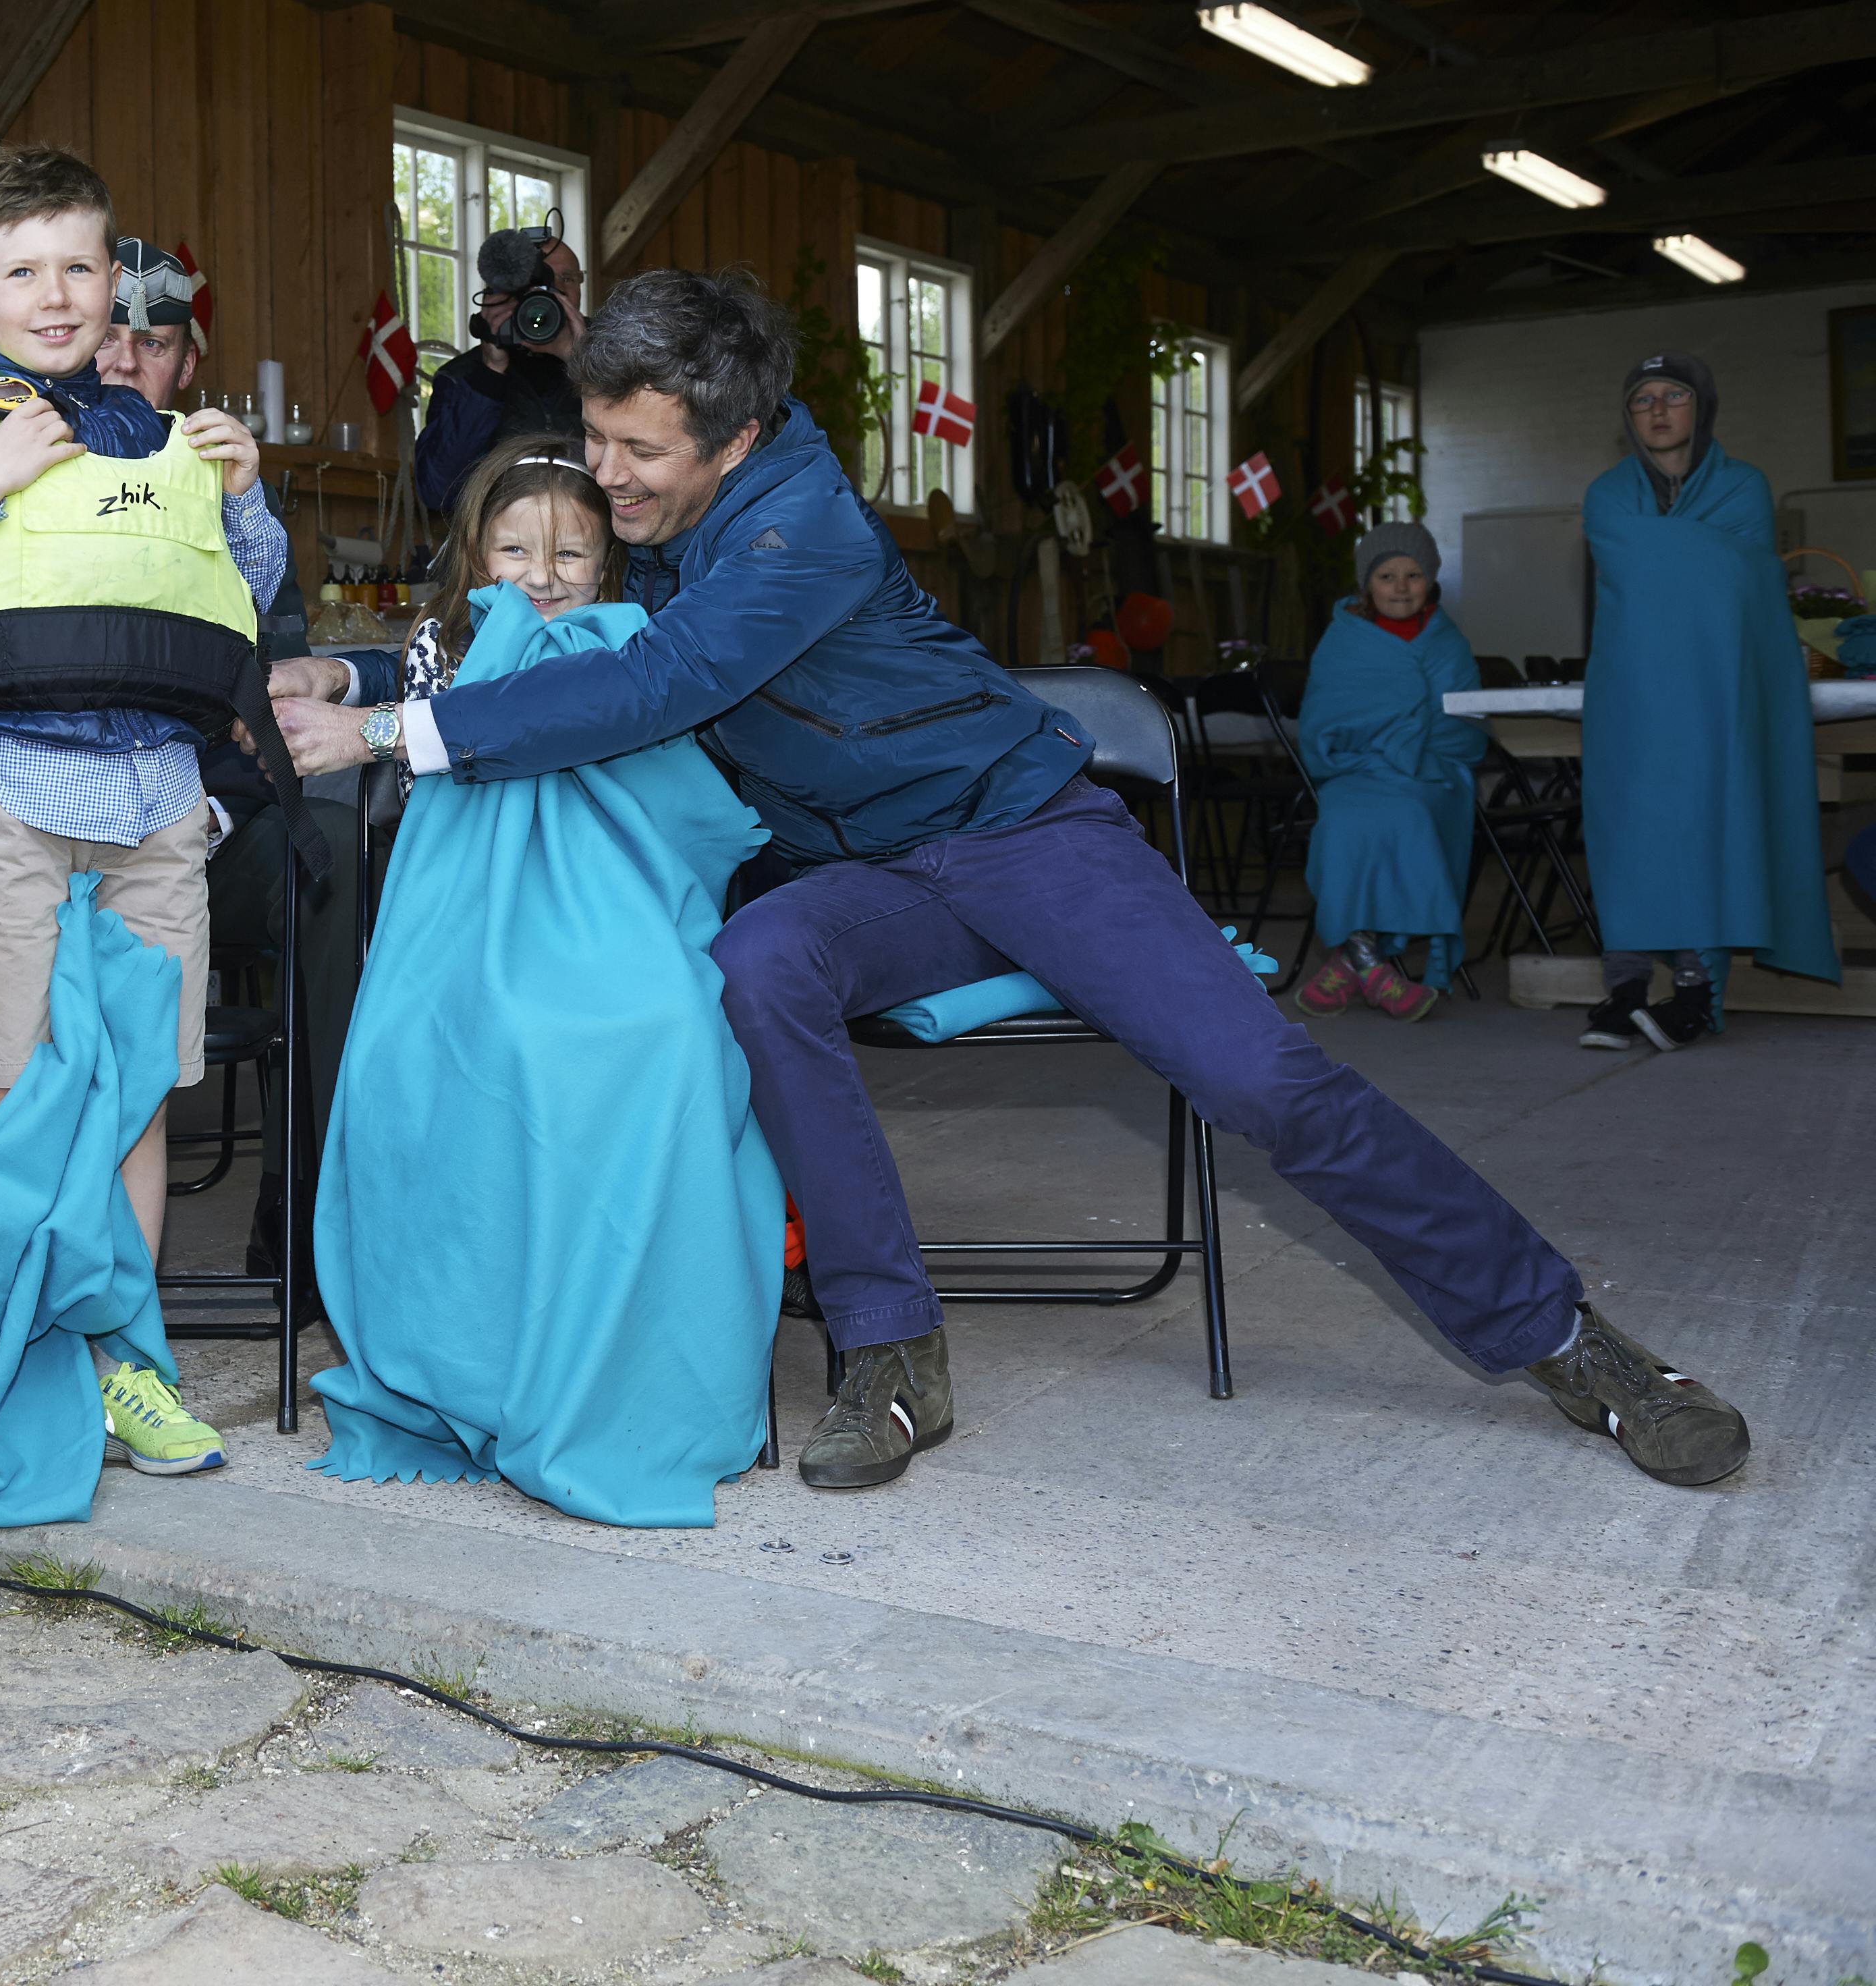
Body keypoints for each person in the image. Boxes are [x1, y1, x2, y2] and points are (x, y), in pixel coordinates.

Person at [274, 269, 1750, 1497]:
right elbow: (544, 620)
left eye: (635, 453)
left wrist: (398, 734)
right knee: (761, 962)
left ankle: (1570, 1336)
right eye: (594, 439)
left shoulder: (804, 530)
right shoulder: (667, 531)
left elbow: (662, 678)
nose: (604, 476)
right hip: (873, 872)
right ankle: (891, 1350)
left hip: (1026, 834)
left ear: (736, 435)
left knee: (1267, 1081)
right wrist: (348, 668)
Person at [0, 149, 275, 1481]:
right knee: (3, 1089)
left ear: (111, 281)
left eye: (80, 266)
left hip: (158, 801)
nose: (55, 293)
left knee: (138, 1093)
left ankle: (125, 1363)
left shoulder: (168, 431)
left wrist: (247, 496)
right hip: (16, 801)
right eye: (20, 270)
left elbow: (243, 590)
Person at [310, 451, 790, 1526]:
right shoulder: (448, 642)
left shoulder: (638, 644)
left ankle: (635, 1346)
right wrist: (347, 676)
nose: (544, 573)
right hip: (471, 899)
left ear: (609, 560)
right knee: (462, 1045)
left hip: (615, 889)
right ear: (476, 555)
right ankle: (478, 1349)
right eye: (516, 550)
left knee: (667, 1031)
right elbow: (408, 691)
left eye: (572, 551)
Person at [96, 236, 359, 1286]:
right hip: (52, 822)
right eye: (108, 332)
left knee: (335, 842)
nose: (123, 358)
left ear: (187, 363)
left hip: (210, 828)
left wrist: (211, 796)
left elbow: (277, 704)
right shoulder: (8, 463)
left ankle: (312, 1235)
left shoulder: (227, 490)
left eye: (151, 341)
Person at [1576, 352, 1835, 1053]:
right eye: (1642, 400)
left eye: (1674, 395)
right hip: (1630, 693)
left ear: (1701, 407)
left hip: (1711, 693)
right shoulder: (1605, 496)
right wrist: (1696, 558)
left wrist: (1681, 561)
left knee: (1700, 826)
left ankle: (1693, 988)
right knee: (1626, 830)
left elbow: (1740, 593)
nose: (1657, 410)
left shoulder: (1744, 489)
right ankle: (1624, 985)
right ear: (1627, 417)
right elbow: (1665, 576)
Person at [1292, 524, 1486, 1023]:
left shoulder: (1450, 643)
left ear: (1431, 581)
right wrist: (1388, 738)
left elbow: (1466, 736)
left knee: (1409, 814)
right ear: (1367, 584)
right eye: (1387, 576)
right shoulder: (1343, 643)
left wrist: (1409, 741)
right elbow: (1320, 728)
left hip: (1432, 774)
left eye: (1413, 575)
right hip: (1355, 770)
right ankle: (1372, 968)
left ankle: (1352, 962)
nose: (1400, 587)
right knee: (1342, 823)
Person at [412, 221, 587, 515]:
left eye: (567, 279)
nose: (555, 294)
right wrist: (490, 371)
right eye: (537, 285)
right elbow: (439, 493)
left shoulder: (614, 359)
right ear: (504, 292)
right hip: (502, 548)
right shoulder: (462, 378)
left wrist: (585, 363)